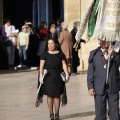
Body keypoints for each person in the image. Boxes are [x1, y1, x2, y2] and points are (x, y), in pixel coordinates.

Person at [87, 40, 120, 120]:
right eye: (104, 41)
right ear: (99, 41)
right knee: (100, 115)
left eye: (108, 41)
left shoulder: (116, 52)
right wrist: (90, 86)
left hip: (113, 86)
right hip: (99, 88)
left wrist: (114, 55)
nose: (106, 43)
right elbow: (90, 72)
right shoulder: (93, 53)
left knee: (115, 115)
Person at [39, 38, 69, 120]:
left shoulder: (61, 54)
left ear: (56, 44)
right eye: (48, 44)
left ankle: (57, 114)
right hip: (48, 77)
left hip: (57, 76)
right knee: (49, 95)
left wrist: (66, 73)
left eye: (52, 43)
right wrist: (41, 75)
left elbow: (64, 65)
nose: (50, 45)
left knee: (57, 95)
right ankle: (51, 114)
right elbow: (41, 66)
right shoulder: (44, 54)